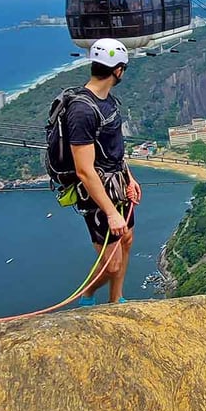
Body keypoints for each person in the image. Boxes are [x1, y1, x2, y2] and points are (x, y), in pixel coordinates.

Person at [68, 38, 142, 306]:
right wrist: (110, 212)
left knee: (127, 241)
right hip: (97, 196)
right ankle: (87, 292)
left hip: (118, 183)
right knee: (111, 264)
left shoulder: (108, 101)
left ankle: (116, 300)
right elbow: (84, 170)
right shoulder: (82, 111)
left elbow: (114, 150)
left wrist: (130, 178)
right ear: (118, 70)